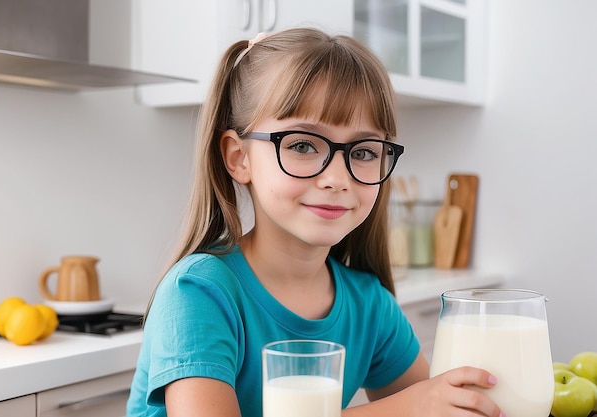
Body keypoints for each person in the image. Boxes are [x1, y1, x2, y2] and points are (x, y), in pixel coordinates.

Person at [126, 27, 504, 417]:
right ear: (238, 158)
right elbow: (419, 405)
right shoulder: (198, 293)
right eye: (303, 145)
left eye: (363, 151)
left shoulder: (370, 306)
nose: (338, 179)